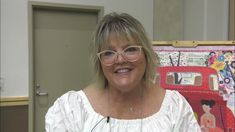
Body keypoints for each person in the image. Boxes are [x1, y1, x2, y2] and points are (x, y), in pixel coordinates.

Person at [45, 12, 201, 132]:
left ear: (146, 55)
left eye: (130, 49)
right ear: (100, 63)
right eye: (109, 53)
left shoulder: (174, 107)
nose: (120, 60)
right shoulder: (72, 109)